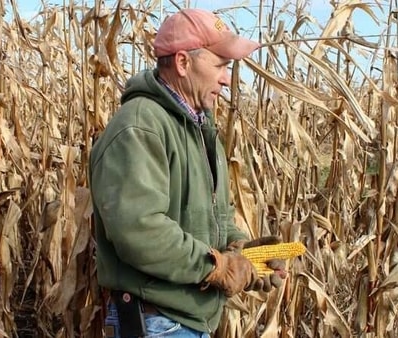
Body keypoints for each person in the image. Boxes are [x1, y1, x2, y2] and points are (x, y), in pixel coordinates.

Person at [89, 8, 287, 338]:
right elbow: (140, 231)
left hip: (185, 322)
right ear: (183, 62)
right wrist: (218, 267)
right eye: (221, 65)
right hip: (156, 324)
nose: (227, 78)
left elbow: (214, 217)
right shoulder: (141, 127)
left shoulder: (199, 128)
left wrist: (245, 254)